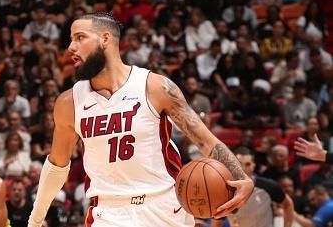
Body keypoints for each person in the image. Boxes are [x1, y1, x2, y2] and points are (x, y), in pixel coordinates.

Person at [27, 12, 254, 227]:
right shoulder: (69, 103)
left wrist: (241, 176)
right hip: (108, 212)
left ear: (105, 38)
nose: (71, 48)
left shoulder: (155, 87)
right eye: (71, 39)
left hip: (163, 207)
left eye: (80, 37)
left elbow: (206, 141)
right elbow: (57, 165)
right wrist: (35, 220)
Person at [210, 147, 294, 227]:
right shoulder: (225, 191)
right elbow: (217, 222)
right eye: (239, 164)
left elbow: (288, 205)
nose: (243, 168)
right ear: (232, 165)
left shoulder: (269, 186)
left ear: (253, 166)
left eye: (248, 164)